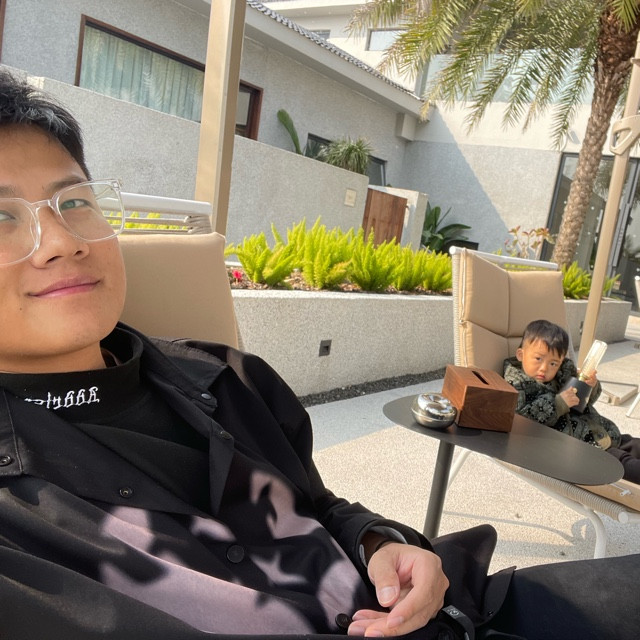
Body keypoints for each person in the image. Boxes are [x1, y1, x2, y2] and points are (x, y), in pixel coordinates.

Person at [0, 68, 638, 640]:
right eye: (3, 218)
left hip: (459, 613)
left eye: (73, 201)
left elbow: (316, 505)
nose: (60, 240)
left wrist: (377, 543)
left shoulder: (225, 377)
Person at [503, 319, 640, 483]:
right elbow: (522, 418)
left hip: (597, 432)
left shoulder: (562, 375)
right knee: (622, 462)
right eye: (538, 359)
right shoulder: (516, 385)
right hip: (578, 449)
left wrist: (589, 387)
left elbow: (584, 403)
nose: (544, 368)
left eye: (553, 363)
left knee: (633, 444)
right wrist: (559, 403)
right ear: (520, 355)